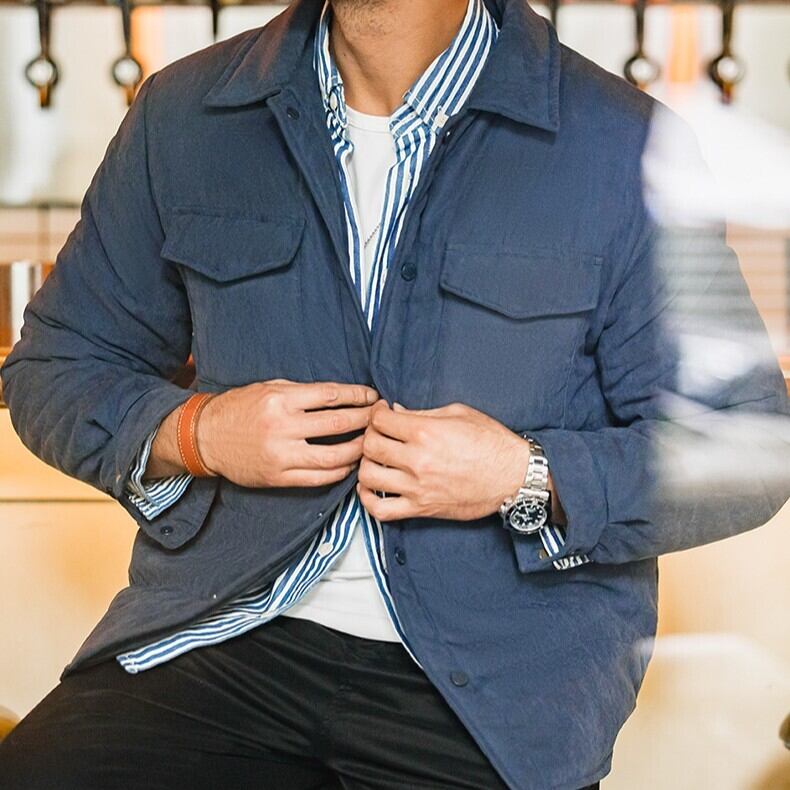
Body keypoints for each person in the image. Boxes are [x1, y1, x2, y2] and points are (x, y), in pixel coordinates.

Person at [1, 0, 787, 788]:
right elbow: (55, 366)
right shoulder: (183, 114)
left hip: (493, 693)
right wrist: (198, 433)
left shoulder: (624, 144)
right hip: (220, 635)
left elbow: (750, 445)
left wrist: (524, 474)